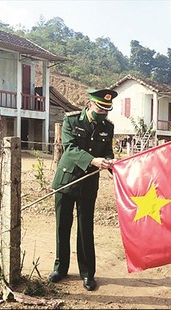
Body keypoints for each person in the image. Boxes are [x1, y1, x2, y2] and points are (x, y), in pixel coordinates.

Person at [49, 89, 118, 291]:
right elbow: (69, 148)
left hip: (89, 184)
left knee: (86, 228)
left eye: (107, 109)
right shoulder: (71, 121)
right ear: (89, 104)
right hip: (67, 181)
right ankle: (60, 269)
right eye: (100, 108)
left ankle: (88, 273)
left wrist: (112, 163)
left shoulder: (107, 127)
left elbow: (107, 151)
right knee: (63, 226)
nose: (103, 112)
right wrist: (92, 160)